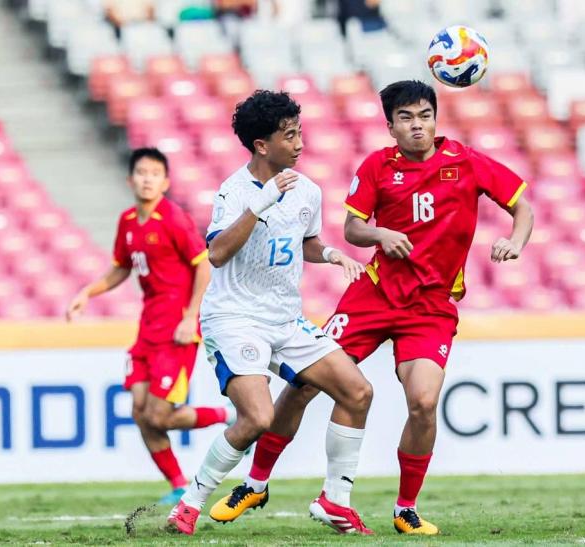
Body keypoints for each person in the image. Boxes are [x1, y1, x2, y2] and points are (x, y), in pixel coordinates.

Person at [212, 80, 535, 535]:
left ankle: (405, 508)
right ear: (391, 126)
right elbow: (352, 229)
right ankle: (256, 481)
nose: (417, 125)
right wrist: (381, 234)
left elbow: (522, 207)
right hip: (375, 293)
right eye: (406, 118)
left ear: (435, 118)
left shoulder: (466, 161)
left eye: (424, 115)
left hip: (431, 305)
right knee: (305, 383)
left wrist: (514, 240)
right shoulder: (378, 166)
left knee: (423, 401)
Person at [165, 90, 374, 536]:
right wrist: (258, 204)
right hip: (235, 318)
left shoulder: (308, 190)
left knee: (357, 392)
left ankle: (335, 501)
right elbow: (217, 253)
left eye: (299, 132)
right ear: (262, 145)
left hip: (284, 319)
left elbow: (306, 242)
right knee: (257, 418)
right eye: (290, 135)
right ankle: (191, 501)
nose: (299, 143)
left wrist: (333, 254)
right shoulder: (234, 190)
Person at [66, 148, 234, 505]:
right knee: (141, 413)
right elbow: (121, 268)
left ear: (165, 181)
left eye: (154, 173)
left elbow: (203, 266)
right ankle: (177, 485)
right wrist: (87, 292)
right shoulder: (128, 221)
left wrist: (191, 317)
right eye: (141, 172)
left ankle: (231, 416)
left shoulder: (173, 218)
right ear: (130, 180)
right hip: (148, 328)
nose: (147, 178)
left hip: (177, 328)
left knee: (159, 414)